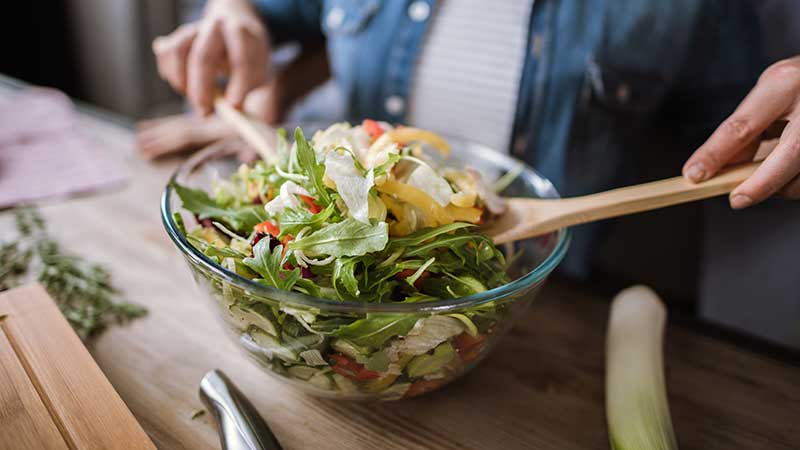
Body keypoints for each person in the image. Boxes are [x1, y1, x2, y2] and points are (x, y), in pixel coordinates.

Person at [148, 0, 799, 342]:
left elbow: (749, 137)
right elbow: (270, 10)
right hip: (310, 301)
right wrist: (232, 16)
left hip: (535, 316)